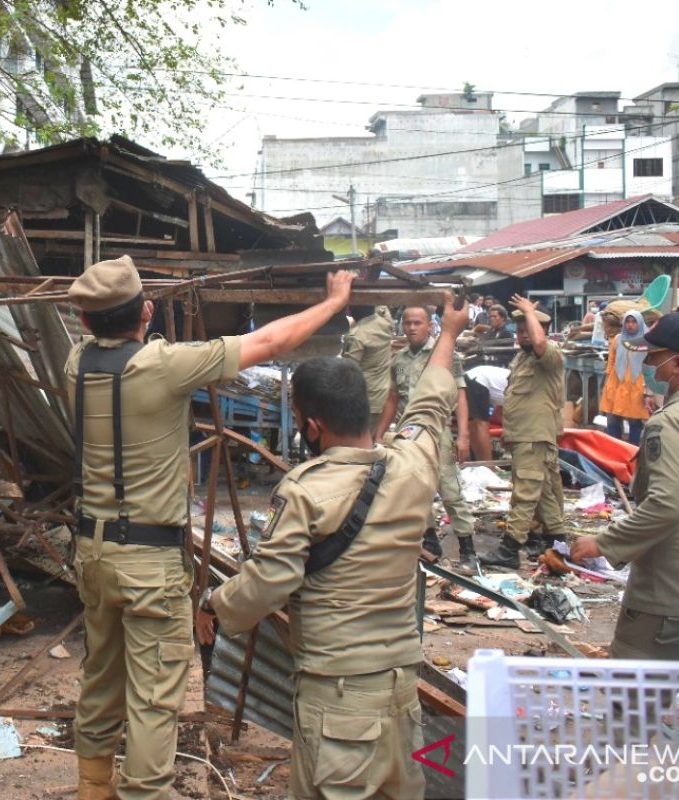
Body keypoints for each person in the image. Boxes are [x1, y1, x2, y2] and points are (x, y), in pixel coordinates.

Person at [65, 255, 355, 800]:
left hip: (92, 552)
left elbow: (100, 338)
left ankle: (93, 788)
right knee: (154, 694)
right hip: (148, 562)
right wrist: (334, 303)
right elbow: (268, 343)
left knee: (101, 676)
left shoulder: (75, 364)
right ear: (147, 311)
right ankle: (144, 793)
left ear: (84, 323)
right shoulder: (163, 366)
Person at [195, 297, 469, 800]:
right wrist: (448, 333)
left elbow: (269, 582)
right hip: (401, 693)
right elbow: (431, 404)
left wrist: (215, 605)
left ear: (312, 426)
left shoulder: (306, 490)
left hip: (338, 702)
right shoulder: (414, 465)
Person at [571, 313, 679, 660]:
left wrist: (603, 543)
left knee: (633, 699)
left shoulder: (670, 424)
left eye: (653, 357)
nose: (647, 364)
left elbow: (668, 505)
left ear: (678, 363)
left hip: (670, 589)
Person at [377, 306, 478, 570]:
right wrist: (378, 436)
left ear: (430, 326)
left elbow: (461, 396)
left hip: (438, 432)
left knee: (450, 490)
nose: (412, 328)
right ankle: (430, 542)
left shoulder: (444, 356)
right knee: (415, 490)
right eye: (408, 322)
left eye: (418, 323)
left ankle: (468, 551)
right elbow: (392, 399)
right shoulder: (397, 359)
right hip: (407, 435)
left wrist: (463, 435)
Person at [479, 296, 567, 570]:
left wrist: (530, 310)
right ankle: (555, 541)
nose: (522, 336)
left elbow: (540, 343)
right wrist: (508, 431)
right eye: (518, 331)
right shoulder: (521, 359)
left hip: (535, 436)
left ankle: (510, 547)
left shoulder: (550, 356)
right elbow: (513, 397)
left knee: (525, 493)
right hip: (524, 435)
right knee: (545, 492)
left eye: (527, 330)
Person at [342, 302, 394, 437]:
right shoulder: (386, 324)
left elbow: (348, 371)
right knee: (372, 439)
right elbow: (383, 308)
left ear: (350, 310)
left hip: (366, 397)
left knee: (358, 441)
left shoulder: (357, 335)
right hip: (382, 395)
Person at [600, 310, 650, 445]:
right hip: (616, 383)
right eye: (628, 321)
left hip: (637, 384)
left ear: (640, 323)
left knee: (635, 421)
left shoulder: (647, 341)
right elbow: (611, 362)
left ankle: (633, 453)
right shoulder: (618, 339)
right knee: (612, 420)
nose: (630, 325)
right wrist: (606, 385)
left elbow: (652, 365)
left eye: (634, 322)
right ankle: (615, 450)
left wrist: (649, 391)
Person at [465, 365, 509, 462]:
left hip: (476, 377)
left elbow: (498, 413)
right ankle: (487, 467)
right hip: (477, 379)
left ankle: (481, 464)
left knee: (474, 425)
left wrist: (508, 430)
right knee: (479, 424)